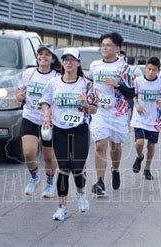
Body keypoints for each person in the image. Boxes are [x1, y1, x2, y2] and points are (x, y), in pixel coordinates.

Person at [40, 48, 99, 221]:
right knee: (64, 168)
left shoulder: (87, 84)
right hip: (60, 130)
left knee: (78, 167)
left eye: (72, 59)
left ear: (78, 63)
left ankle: (81, 195)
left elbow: (94, 110)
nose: (69, 62)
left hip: (79, 129)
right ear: (62, 62)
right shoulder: (53, 83)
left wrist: (86, 104)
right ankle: (62, 207)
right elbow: (45, 101)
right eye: (66, 59)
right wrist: (46, 114)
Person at [87, 32, 134, 195]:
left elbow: (131, 93)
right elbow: (89, 84)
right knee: (100, 145)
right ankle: (100, 182)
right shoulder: (94, 66)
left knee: (115, 146)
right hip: (99, 112)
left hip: (118, 113)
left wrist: (118, 85)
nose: (104, 48)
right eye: (103, 45)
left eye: (108, 45)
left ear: (118, 48)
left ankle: (115, 169)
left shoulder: (125, 68)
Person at [15, 45, 61, 198]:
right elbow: (19, 91)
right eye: (40, 54)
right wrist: (19, 95)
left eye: (47, 55)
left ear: (53, 59)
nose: (43, 57)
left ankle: (49, 182)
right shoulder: (29, 73)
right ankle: (34, 177)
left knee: (48, 157)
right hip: (30, 116)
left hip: (49, 121)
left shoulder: (56, 76)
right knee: (28, 153)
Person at [131, 57, 161, 180]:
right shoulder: (137, 81)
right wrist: (137, 105)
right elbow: (134, 95)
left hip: (154, 119)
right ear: (145, 68)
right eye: (149, 69)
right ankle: (139, 156)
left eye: (154, 70)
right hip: (140, 117)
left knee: (151, 145)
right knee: (139, 143)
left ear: (158, 71)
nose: (151, 72)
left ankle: (147, 168)